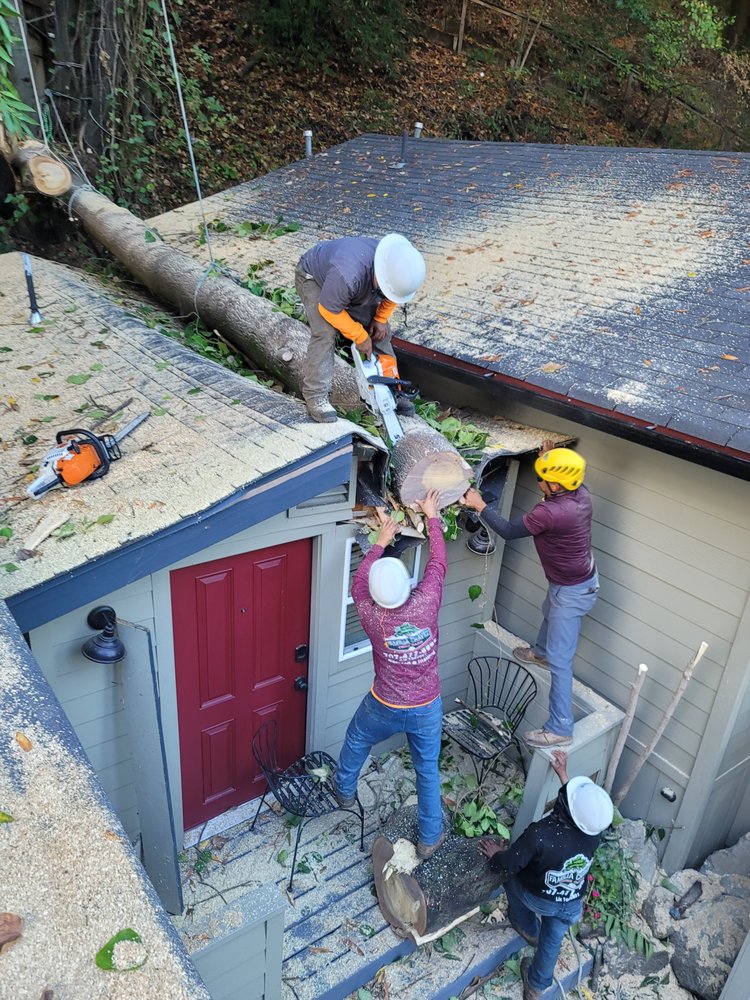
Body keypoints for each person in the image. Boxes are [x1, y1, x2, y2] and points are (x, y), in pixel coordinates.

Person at [334, 488, 447, 859]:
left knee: (356, 740)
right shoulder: (427, 601)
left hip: (384, 704)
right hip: (426, 706)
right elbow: (437, 564)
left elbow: (358, 583)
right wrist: (431, 515)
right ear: (405, 587)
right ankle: (430, 838)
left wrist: (380, 540)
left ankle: (344, 790)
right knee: (427, 771)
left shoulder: (370, 615)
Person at [462, 444, 599, 749]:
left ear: (555, 486)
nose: (537, 482)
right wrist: (547, 460)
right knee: (549, 608)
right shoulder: (581, 495)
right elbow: (560, 479)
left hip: (573, 591)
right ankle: (541, 652)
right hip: (576, 580)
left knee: (562, 663)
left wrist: (479, 504)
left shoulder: (550, 512)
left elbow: (509, 531)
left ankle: (560, 727)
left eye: (541, 478)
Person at [479, 750, 614, 1000]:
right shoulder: (593, 833)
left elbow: (511, 863)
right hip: (571, 901)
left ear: (565, 806)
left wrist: (497, 854)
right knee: (552, 939)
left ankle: (528, 927)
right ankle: (536, 988)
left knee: (509, 880)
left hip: (538, 897)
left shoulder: (540, 835)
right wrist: (563, 774)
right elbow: (580, 814)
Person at [295, 233, 426, 423]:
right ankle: (316, 396)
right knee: (325, 333)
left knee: (381, 332)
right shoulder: (348, 274)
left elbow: (393, 294)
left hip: (357, 286)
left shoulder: (396, 267)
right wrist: (359, 336)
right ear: (379, 276)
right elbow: (328, 309)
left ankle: (392, 388)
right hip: (314, 277)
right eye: (383, 291)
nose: (385, 295)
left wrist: (380, 318)